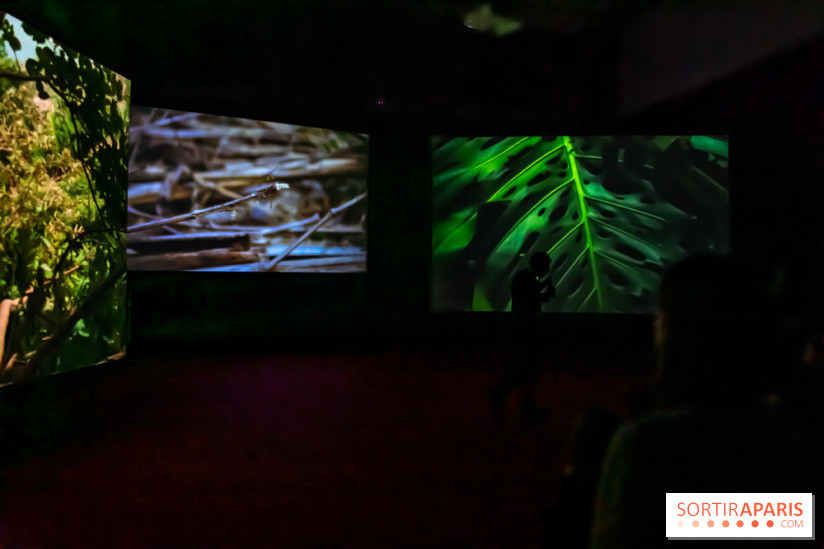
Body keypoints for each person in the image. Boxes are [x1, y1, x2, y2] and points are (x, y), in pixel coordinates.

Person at [590, 255, 818, 548]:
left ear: (677, 332)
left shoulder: (649, 447)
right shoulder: (784, 438)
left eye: (661, 316)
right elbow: (781, 524)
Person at [488, 252, 555, 417]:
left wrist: (543, 291)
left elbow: (529, 297)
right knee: (525, 369)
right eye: (545, 267)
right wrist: (545, 294)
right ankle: (500, 393)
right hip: (523, 329)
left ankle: (523, 404)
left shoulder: (527, 278)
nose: (546, 270)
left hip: (524, 328)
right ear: (537, 265)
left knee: (526, 369)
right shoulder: (525, 278)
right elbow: (528, 300)